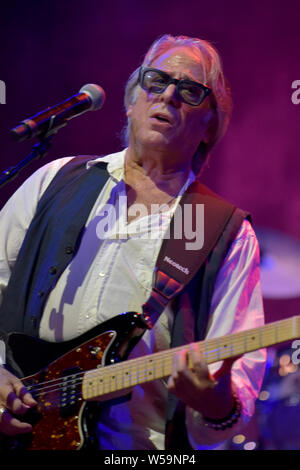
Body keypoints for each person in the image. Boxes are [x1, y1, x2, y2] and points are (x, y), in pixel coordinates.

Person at [0, 34, 266, 450]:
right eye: (156, 81)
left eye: (190, 90)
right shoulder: (54, 181)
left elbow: (236, 395)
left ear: (209, 125)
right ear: (131, 100)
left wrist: (214, 402)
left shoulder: (224, 232)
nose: (169, 95)